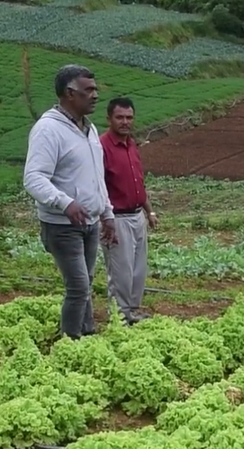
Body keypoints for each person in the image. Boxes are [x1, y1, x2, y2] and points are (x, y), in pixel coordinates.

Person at [23, 64, 116, 340]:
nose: (95, 95)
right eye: (88, 90)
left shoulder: (88, 129)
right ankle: (70, 342)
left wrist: (107, 213)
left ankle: (86, 333)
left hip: (88, 223)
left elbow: (96, 177)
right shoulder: (48, 129)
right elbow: (34, 178)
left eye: (95, 89)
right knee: (78, 286)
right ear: (69, 94)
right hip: (62, 225)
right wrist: (65, 202)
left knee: (85, 283)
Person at [99, 96, 158, 326]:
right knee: (121, 273)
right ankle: (119, 317)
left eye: (129, 117)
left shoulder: (131, 144)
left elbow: (138, 184)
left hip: (137, 215)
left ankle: (131, 312)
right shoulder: (102, 147)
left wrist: (149, 212)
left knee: (137, 271)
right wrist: (105, 219)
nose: (125, 122)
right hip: (116, 218)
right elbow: (98, 185)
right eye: (120, 117)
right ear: (109, 118)